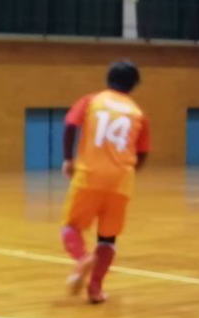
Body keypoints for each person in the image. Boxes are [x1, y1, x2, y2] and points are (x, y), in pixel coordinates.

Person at [60, 62, 150, 304]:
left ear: (108, 78)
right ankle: (95, 289)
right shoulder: (138, 113)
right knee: (108, 239)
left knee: (71, 227)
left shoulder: (92, 101)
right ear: (134, 85)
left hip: (89, 175)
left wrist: (68, 158)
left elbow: (70, 125)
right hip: (121, 181)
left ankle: (82, 259)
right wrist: (127, 172)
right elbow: (142, 152)